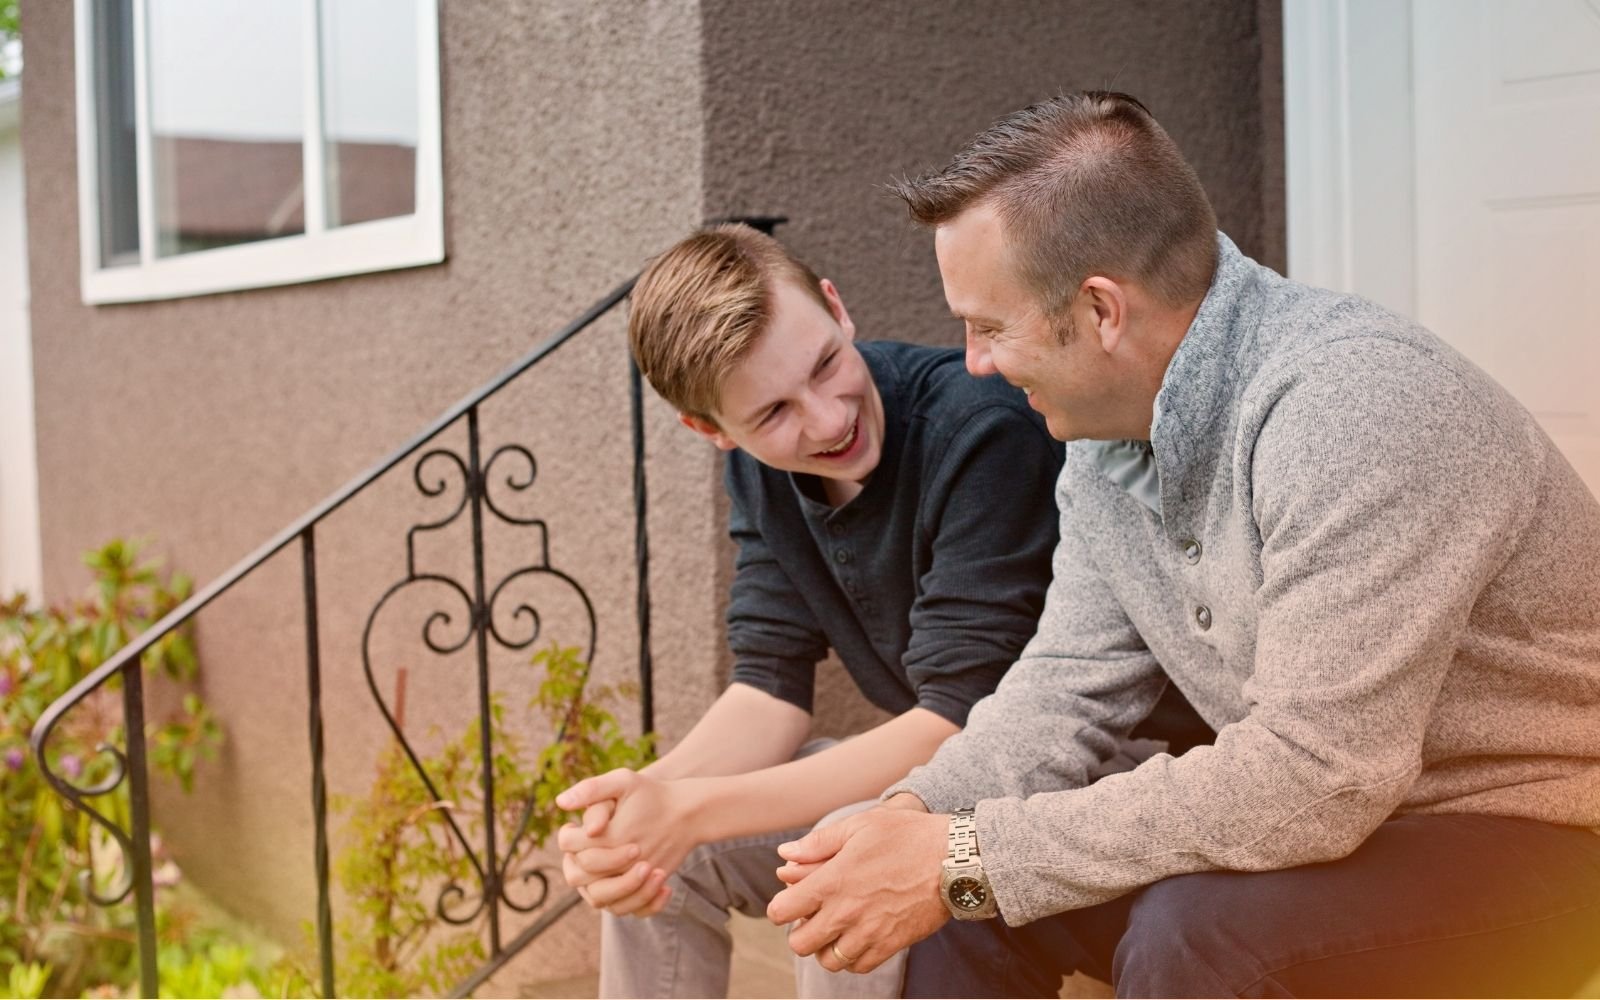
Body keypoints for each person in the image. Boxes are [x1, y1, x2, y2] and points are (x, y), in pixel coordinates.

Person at [766, 91, 1600, 997]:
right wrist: (912, 819)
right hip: (1344, 820)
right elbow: (1062, 692)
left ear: (1099, 312)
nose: (972, 360)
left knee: (1193, 935)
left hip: (1540, 827)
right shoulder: (1104, 439)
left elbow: (1315, 777)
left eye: (989, 325)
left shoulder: (1354, 408)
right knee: (970, 907)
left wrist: (963, 855)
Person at [554, 223, 1118, 998]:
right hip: (938, 772)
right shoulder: (763, 476)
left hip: (1075, 766)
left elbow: (957, 719)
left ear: (835, 306)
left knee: (839, 859)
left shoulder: (980, 429)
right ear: (712, 432)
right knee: (662, 855)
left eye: (825, 365)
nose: (826, 420)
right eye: (773, 415)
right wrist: (639, 809)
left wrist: (689, 808)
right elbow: (769, 688)